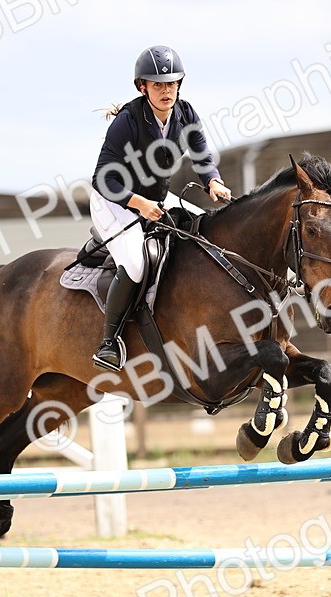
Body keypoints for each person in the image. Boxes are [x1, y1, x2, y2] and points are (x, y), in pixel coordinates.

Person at [89, 45, 233, 372]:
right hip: (116, 201)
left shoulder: (186, 114)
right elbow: (102, 178)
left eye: (171, 83)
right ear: (143, 87)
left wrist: (213, 181)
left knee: (206, 237)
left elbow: (202, 156)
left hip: (154, 199)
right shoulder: (128, 122)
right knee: (137, 265)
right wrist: (138, 204)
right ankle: (108, 342)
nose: (166, 90)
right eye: (158, 85)